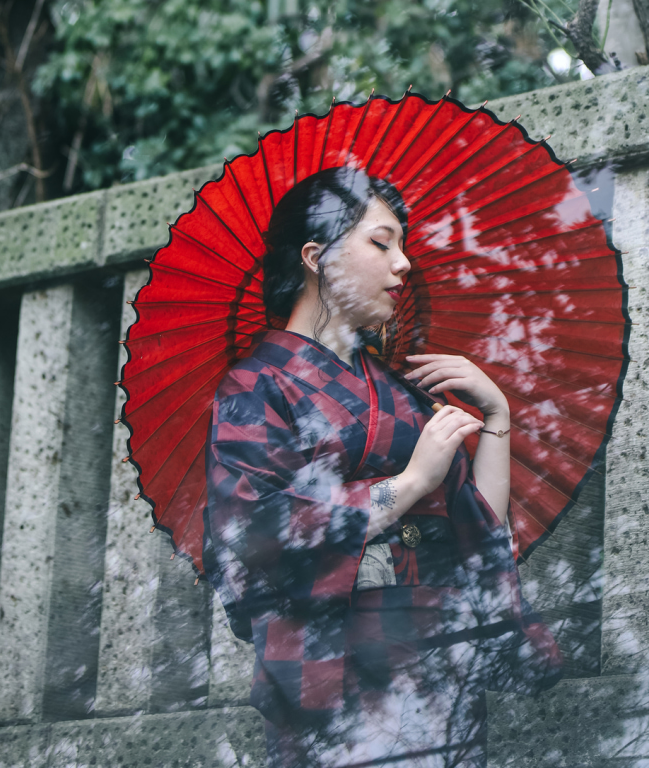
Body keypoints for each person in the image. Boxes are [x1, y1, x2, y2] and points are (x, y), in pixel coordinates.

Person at [203, 167, 562, 768]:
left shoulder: (404, 392)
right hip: (334, 670)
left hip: (437, 659)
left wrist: (495, 414)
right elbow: (258, 534)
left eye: (403, 247)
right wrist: (410, 483)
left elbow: (478, 530)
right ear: (318, 257)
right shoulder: (254, 385)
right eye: (382, 242)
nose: (404, 264)